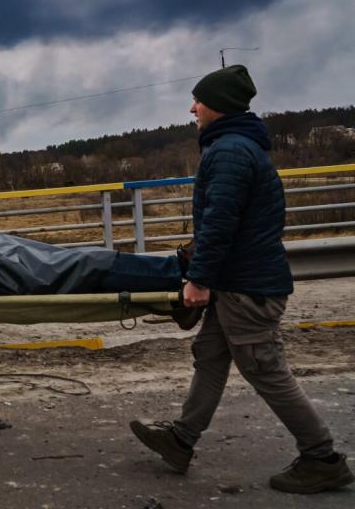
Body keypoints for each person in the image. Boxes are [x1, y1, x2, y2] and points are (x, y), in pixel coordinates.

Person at [130, 65, 353, 494]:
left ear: (219, 106)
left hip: (246, 290)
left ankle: (322, 457)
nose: (192, 108)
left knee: (264, 369)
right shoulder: (237, 145)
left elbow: (221, 223)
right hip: (239, 284)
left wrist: (198, 279)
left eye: (198, 100)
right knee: (211, 355)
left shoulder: (230, 151)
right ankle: (181, 440)